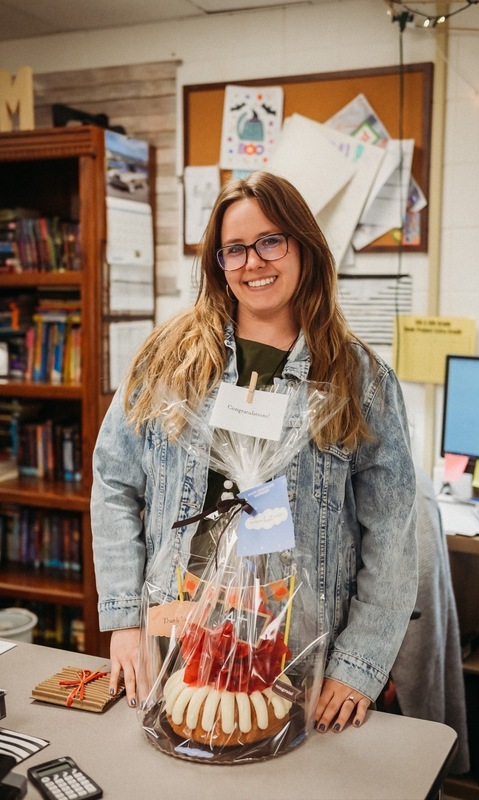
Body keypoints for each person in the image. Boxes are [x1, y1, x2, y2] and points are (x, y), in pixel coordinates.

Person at [91, 170, 418, 734]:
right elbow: (114, 482)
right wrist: (123, 618)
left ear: (304, 246)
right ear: (218, 263)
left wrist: (359, 664)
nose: (253, 263)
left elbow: (392, 532)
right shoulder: (167, 359)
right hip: (174, 642)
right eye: (234, 249)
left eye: (271, 241)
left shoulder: (359, 378)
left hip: (299, 655)